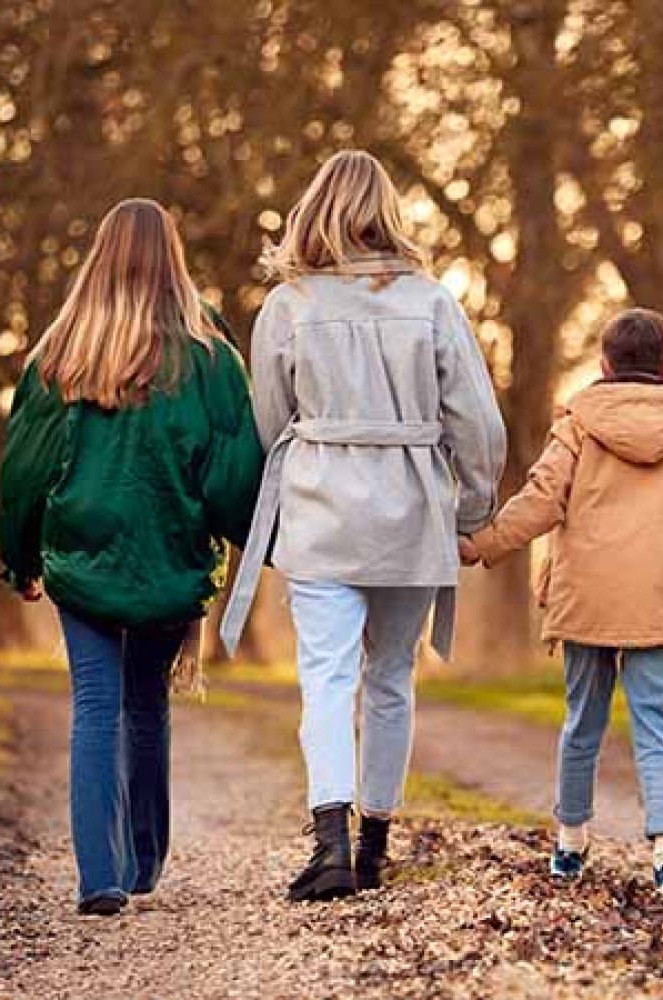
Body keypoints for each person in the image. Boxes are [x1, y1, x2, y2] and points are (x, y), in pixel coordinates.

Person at [219, 150, 506, 902]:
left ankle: (330, 846)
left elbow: (268, 419)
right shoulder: (432, 301)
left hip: (320, 510)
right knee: (390, 677)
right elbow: (477, 423)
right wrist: (471, 512)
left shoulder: (287, 306)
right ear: (388, 212)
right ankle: (375, 840)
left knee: (325, 677)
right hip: (411, 509)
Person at [0, 198, 264, 917]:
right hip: (168, 554)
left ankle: (100, 878)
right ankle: (143, 861)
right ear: (173, 258)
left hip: (80, 553)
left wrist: (18, 556)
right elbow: (234, 469)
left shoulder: (58, 354)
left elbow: (22, 468)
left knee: (94, 704)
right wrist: (250, 538)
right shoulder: (210, 360)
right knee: (145, 703)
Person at [459, 308, 663, 901]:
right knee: (656, 722)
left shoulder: (578, 424)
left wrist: (482, 544)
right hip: (662, 598)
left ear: (604, 363)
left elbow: (541, 500)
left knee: (582, 721)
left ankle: (569, 842)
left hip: (588, 595)